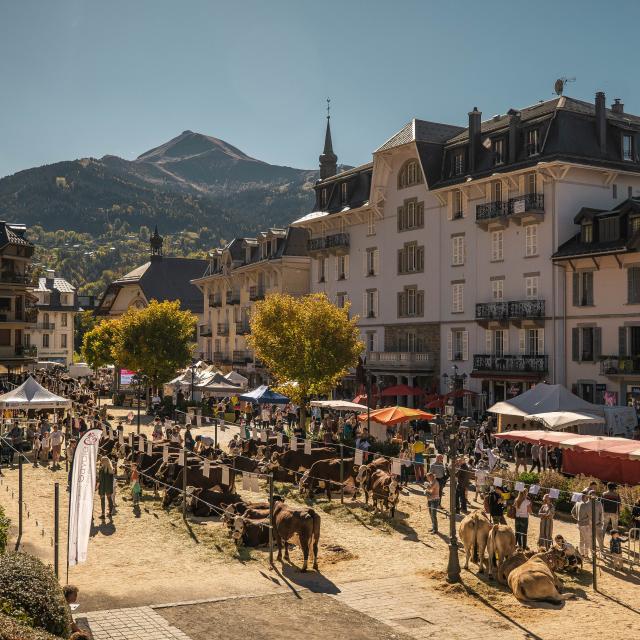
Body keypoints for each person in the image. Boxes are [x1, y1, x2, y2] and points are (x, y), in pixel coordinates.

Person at [572, 493, 593, 559]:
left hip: (579, 524)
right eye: (586, 497)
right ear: (584, 497)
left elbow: (572, 512)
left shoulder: (577, 503)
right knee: (587, 540)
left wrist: (578, 519)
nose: (587, 498)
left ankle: (582, 553)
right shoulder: (585, 505)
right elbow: (590, 515)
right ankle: (586, 555)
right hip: (585, 525)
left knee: (582, 540)